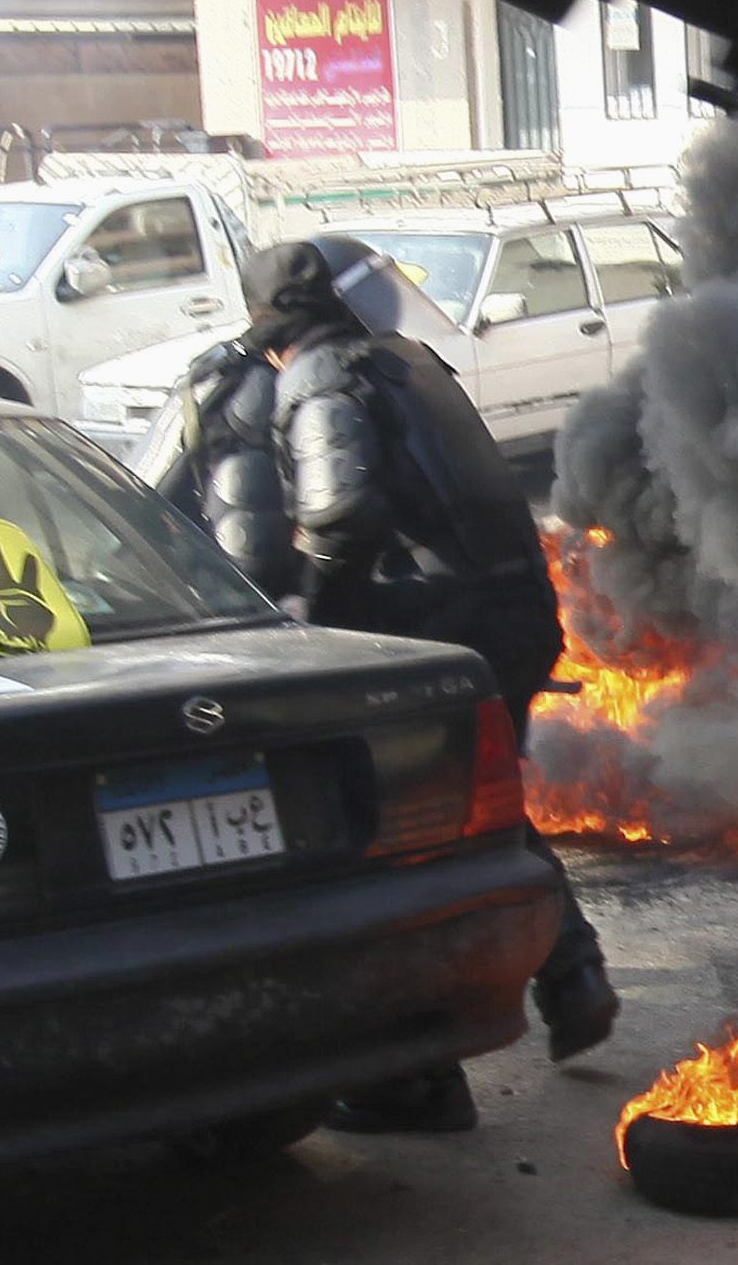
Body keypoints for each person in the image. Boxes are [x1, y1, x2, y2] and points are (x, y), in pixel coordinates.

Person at [147, 238, 620, 1132]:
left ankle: (416, 1075)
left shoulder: (319, 375)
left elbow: (335, 511)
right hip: (505, 620)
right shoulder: (402, 361)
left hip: (445, 635)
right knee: (479, 818)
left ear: (270, 327)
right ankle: (574, 980)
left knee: (391, 838)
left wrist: (315, 630)